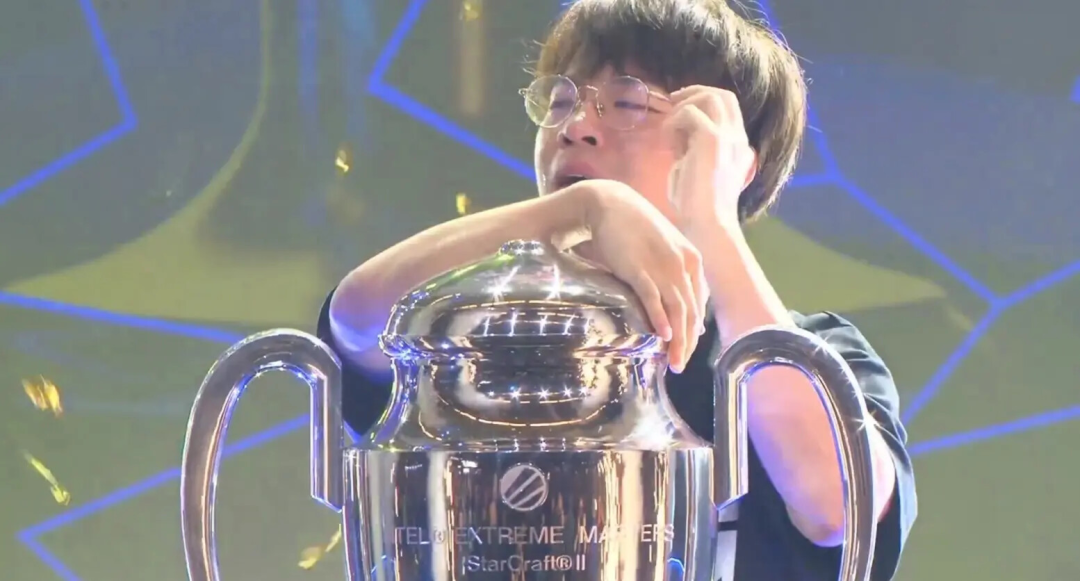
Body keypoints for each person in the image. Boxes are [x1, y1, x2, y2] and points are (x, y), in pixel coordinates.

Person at [316, 0, 917, 578]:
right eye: (560, 102)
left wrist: (710, 221)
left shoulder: (813, 351)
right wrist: (581, 207)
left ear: (732, 158)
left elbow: (837, 508)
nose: (575, 128)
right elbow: (357, 320)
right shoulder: (486, 342)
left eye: (628, 103)